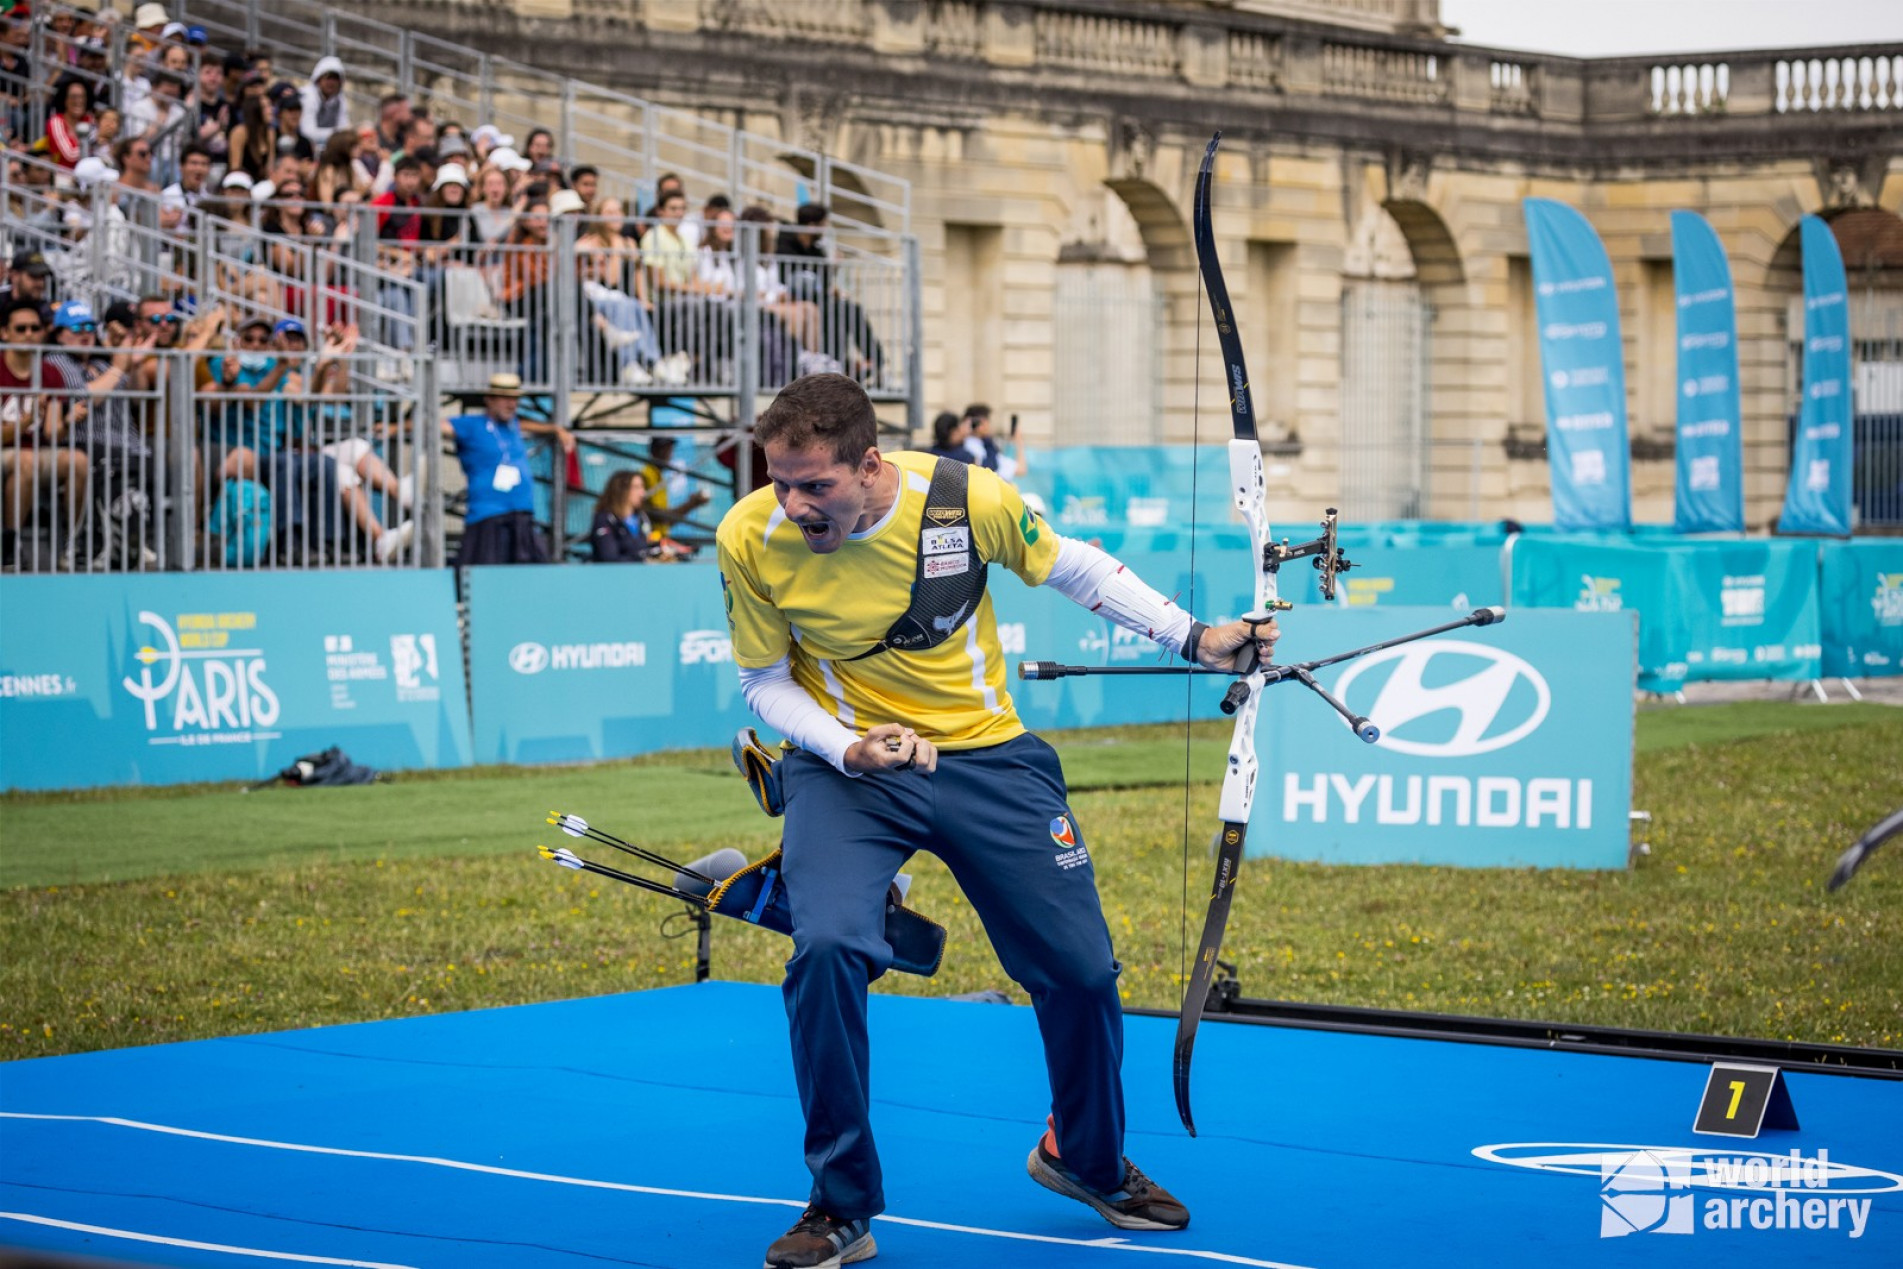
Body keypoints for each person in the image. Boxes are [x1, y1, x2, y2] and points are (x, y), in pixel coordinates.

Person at [715, 373, 1276, 1268]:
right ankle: (839, 1205)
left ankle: (1083, 1158)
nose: (791, 503)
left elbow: (1075, 567)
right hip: (847, 768)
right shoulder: (748, 534)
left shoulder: (959, 498)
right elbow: (763, 680)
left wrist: (1195, 637)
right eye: (778, 480)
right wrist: (845, 747)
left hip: (986, 756)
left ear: (868, 465)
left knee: (1083, 972)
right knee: (825, 949)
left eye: (813, 483)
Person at [440, 371, 572, 565]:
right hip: (488, 516)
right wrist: (394, 428)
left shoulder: (513, 425)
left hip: (521, 515)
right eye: (505, 399)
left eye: (515, 399)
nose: (512, 404)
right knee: (485, 574)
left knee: (531, 574)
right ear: (489, 399)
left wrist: (556, 429)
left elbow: (528, 425)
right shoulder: (472, 425)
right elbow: (434, 425)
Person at [588, 469, 682, 562]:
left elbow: (646, 548)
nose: (642, 493)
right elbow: (609, 558)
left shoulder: (642, 517)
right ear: (622, 490)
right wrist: (644, 560)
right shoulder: (605, 519)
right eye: (637, 487)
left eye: (642, 487)